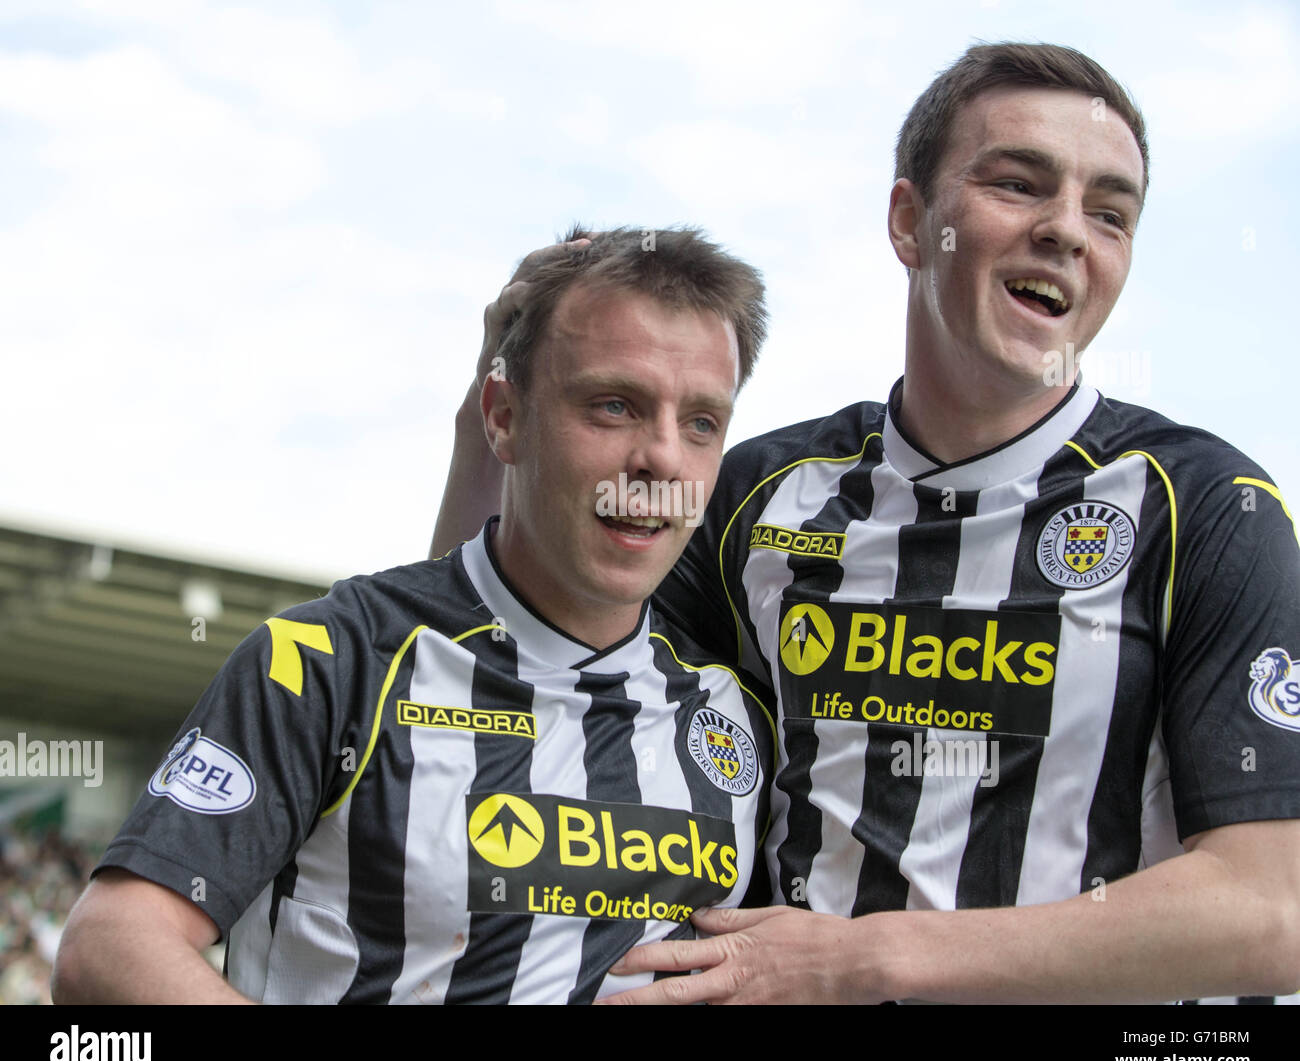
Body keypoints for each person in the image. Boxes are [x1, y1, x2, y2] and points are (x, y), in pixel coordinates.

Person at [433, 44, 1300, 1004]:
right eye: (1019, 184)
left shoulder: (1209, 507)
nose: (1066, 231)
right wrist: (494, 417)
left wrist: (857, 958)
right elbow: (484, 672)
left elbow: (1271, 909)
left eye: (1109, 212)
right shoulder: (762, 494)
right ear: (909, 221)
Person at [52, 227, 775, 1004]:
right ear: (504, 417)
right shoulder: (331, 657)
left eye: (702, 422)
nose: (663, 457)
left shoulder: (732, 713)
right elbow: (110, 948)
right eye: (613, 405)